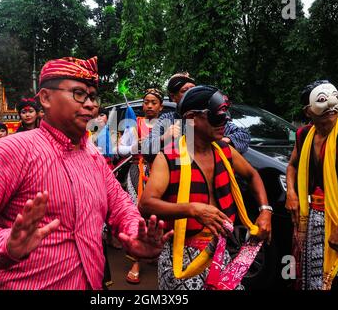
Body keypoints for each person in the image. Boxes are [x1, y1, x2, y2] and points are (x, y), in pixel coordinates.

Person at [0, 56, 173, 290]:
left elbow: (120, 205)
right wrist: (2, 243)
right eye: (78, 93)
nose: (90, 104)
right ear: (45, 98)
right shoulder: (15, 149)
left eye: (92, 96)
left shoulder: (91, 154)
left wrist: (134, 232)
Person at [139, 85, 272, 290]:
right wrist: (192, 209)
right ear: (192, 117)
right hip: (181, 256)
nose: (225, 121)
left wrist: (265, 211)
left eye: (225, 115)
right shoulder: (168, 158)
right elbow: (146, 204)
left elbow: (253, 175)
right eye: (216, 116)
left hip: (220, 250)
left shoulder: (225, 151)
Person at [285, 80, 338, 290]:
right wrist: (291, 193)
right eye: (321, 100)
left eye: (335, 97)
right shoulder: (304, 135)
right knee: (315, 279)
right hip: (314, 217)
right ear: (308, 111)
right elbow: (292, 166)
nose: (331, 104)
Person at [116, 88, 164, 284]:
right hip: (138, 171)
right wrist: (136, 147)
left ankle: (156, 254)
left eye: (154, 102)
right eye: (146, 102)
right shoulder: (134, 124)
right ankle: (135, 261)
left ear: (161, 106)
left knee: (160, 215)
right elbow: (120, 150)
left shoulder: (167, 125)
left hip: (162, 172)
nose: (149, 106)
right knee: (137, 214)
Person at [142, 72, 250, 155]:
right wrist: (164, 137)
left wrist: (222, 141)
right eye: (185, 91)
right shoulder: (168, 119)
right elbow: (145, 147)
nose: (191, 94)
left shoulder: (209, 117)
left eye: (193, 89)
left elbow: (244, 135)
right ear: (173, 97)